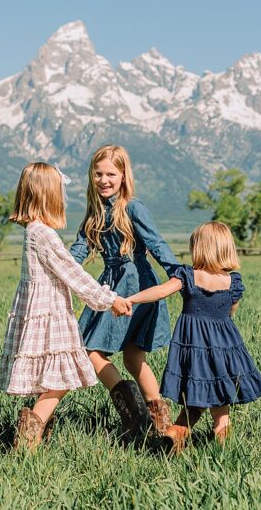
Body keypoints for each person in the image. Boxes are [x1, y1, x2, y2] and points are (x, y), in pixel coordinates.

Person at [0, 162, 132, 452]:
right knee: (60, 377)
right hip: (50, 314)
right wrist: (109, 300)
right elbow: (73, 273)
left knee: (56, 377)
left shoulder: (34, 231)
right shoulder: (43, 234)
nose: (64, 198)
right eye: (60, 192)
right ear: (48, 195)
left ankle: (36, 429)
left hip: (43, 310)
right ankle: (30, 432)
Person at [71, 145, 183, 438]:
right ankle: (149, 419)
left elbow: (156, 243)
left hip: (134, 284)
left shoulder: (132, 207)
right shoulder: (94, 212)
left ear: (123, 176)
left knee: (94, 351)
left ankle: (143, 417)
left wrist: (178, 273)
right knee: (131, 358)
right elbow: (80, 248)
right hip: (110, 281)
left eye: (111, 174)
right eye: (98, 174)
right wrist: (58, 267)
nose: (104, 180)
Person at [126, 221, 261, 452]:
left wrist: (131, 299)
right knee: (221, 403)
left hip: (194, 347)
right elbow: (232, 309)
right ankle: (221, 449)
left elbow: (161, 291)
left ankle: (177, 432)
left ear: (199, 248)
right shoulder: (233, 282)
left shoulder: (188, 276)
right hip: (225, 348)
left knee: (197, 391)